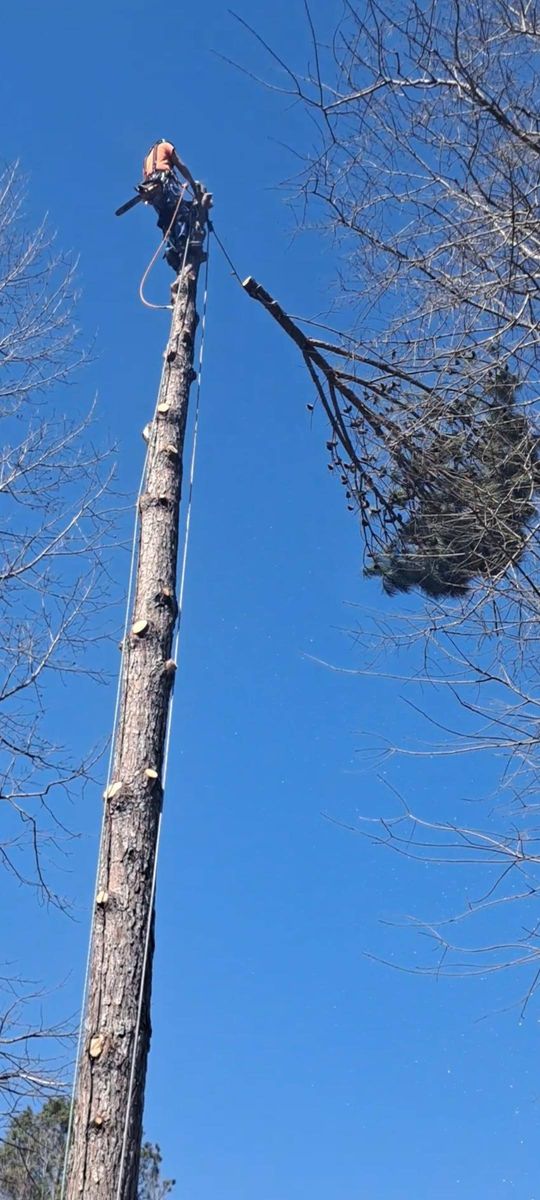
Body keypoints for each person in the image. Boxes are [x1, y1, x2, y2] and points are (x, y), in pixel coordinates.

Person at [141, 139, 209, 271]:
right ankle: (184, 243)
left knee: (168, 222)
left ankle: (171, 249)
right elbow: (180, 164)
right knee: (181, 214)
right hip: (164, 183)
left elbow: (145, 180)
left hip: (152, 190)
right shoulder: (166, 146)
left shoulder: (146, 160)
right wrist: (192, 183)